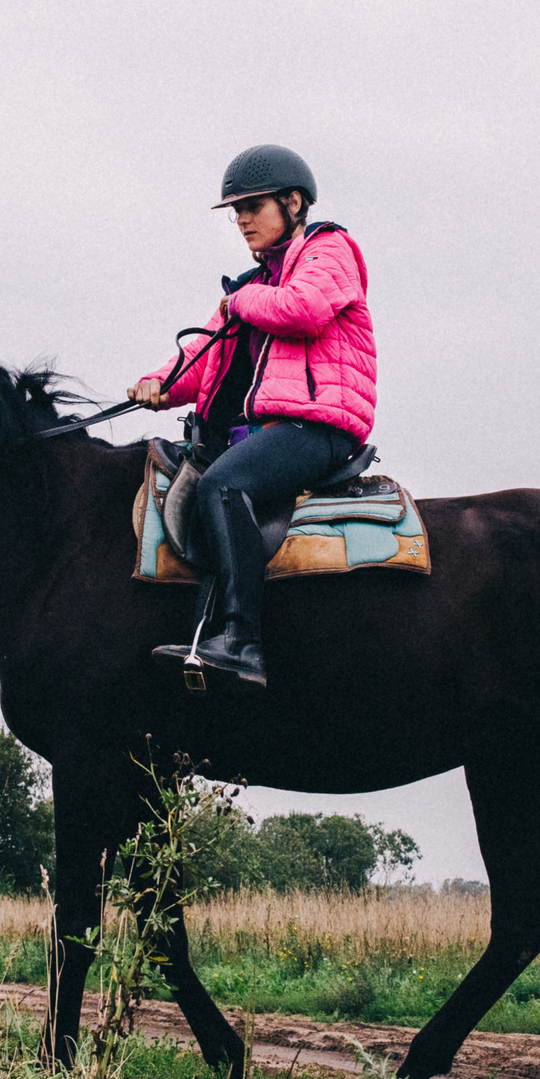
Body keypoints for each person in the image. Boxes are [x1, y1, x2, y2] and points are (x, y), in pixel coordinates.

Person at [127, 144, 377, 692]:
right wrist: (159, 385)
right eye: (235, 211)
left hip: (318, 427)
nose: (241, 220)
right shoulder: (252, 287)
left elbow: (304, 309)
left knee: (221, 487)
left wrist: (237, 302)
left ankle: (241, 641)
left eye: (252, 206)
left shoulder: (327, 249)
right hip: (267, 431)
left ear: (292, 203)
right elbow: (202, 361)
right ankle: (203, 633)